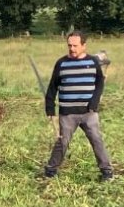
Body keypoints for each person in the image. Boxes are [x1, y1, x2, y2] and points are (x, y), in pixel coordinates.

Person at [43, 31, 114, 181]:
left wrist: (94, 103)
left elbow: (99, 83)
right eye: (69, 45)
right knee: (62, 142)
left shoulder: (93, 62)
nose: (72, 49)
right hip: (67, 113)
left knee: (96, 140)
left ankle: (107, 171)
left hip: (89, 112)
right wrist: (50, 108)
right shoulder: (61, 63)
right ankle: (51, 170)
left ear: (84, 45)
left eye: (75, 46)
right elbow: (52, 87)